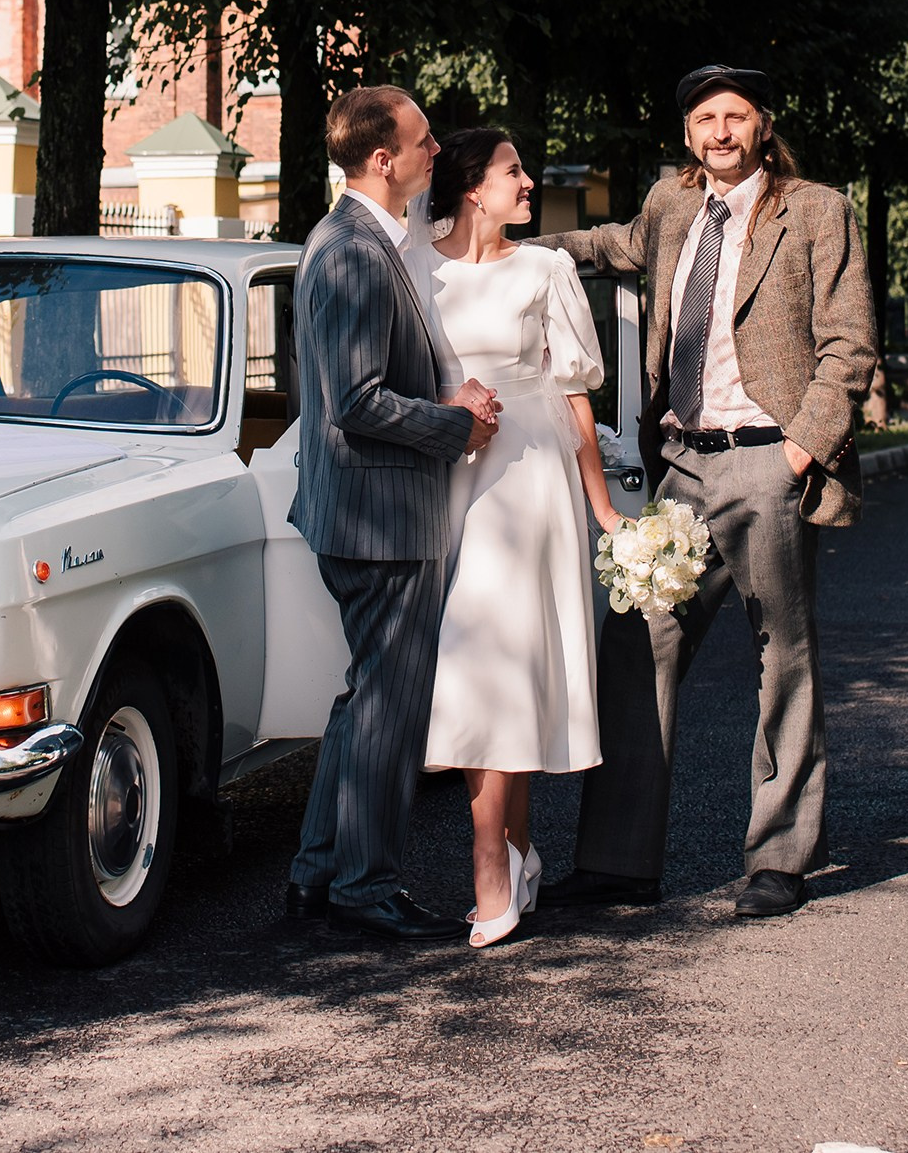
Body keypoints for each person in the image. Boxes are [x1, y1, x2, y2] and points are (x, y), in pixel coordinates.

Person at [536, 65, 876, 919]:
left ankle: (780, 858)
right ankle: (617, 864)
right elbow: (611, 245)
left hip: (767, 460)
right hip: (682, 466)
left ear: (763, 125)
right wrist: (506, 249)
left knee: (783, 657)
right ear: (687, 133)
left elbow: (850, 344)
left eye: (735, 116)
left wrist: (798, 451)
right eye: (704, 119)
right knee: (637, 641)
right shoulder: (673, 204)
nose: (720, 131)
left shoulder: (818, 210)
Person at [285, 85, 504, 943]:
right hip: (379, 513)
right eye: (423, 141)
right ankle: (364, 888)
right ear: (383, 159)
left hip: (364, 505)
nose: (436, 151)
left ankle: (317, 875)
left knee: (365, 697)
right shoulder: (352, 250)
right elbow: (357, 400)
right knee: (390, 706)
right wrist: (458, 425)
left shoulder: (363, 239)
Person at [416, 129, 625, 948]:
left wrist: (602, 507)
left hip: (528, 477)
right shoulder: (417, 267)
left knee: (495, 659)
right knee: (494, 662)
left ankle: (488, 868)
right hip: (446, 476)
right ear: (473, 186)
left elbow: (573, 394)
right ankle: (521, 848)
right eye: (514, 171)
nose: (529, 181)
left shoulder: (545, 269)